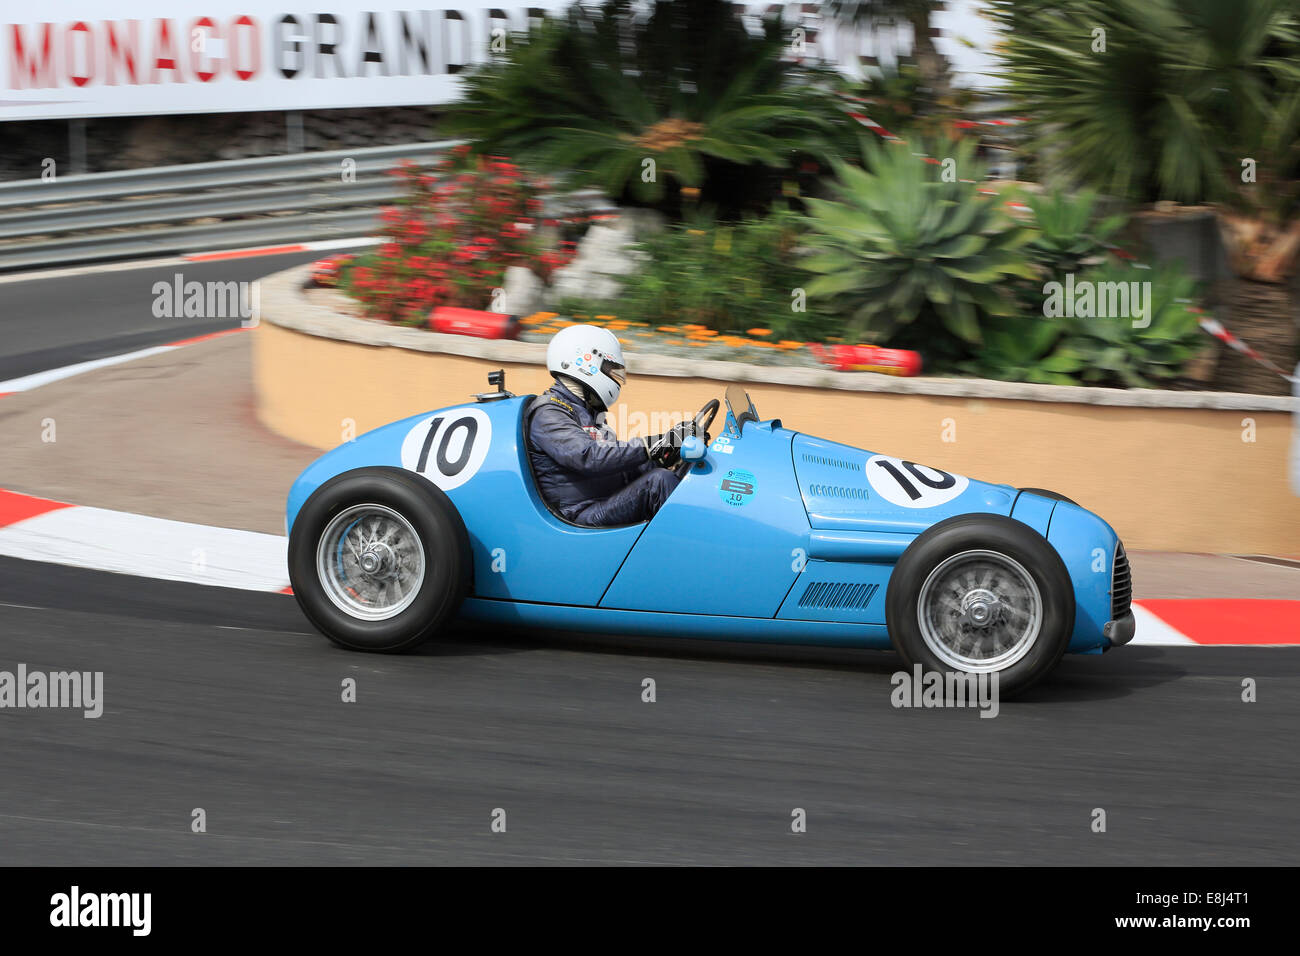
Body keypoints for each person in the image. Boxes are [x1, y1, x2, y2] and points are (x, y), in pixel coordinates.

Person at [526, 325, 699, 526]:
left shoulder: (588, 413)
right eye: (609, 369)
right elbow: (589, 457)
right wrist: (649, 446)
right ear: (585, 362)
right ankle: (698, 549)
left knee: (673, 475)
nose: (613, 377)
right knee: (658, 483)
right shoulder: (549, 413)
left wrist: (666, 454)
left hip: (601, 501)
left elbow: (617, 469)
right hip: (579, 513)